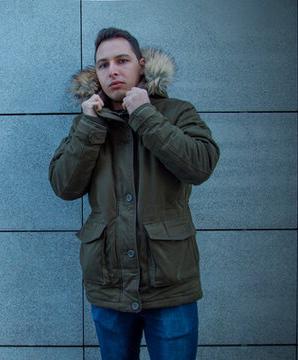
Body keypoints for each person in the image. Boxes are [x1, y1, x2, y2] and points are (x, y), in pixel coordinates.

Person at [49, 28, 220, 360]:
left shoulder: (177, 112)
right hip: (109, 287)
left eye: (122, 60)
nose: (112, 70)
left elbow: (200, 166)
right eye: (103, 64)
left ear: (141, 65)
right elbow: (64, 186)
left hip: (170, 286)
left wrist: (145, 115)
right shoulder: (88, 122)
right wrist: (90, 126)